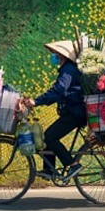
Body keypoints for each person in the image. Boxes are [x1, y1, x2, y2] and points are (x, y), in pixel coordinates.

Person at [21, 40, 86, 180]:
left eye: (55, 54)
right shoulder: (67, 69)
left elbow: (58, 91)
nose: (53, 56)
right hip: (72, 111)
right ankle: (49, 170)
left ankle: (73, 165)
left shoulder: (68, 70)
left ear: (62, 56)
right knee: (48, 136)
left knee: (50, 137)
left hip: (75, 112)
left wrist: (36, 101)